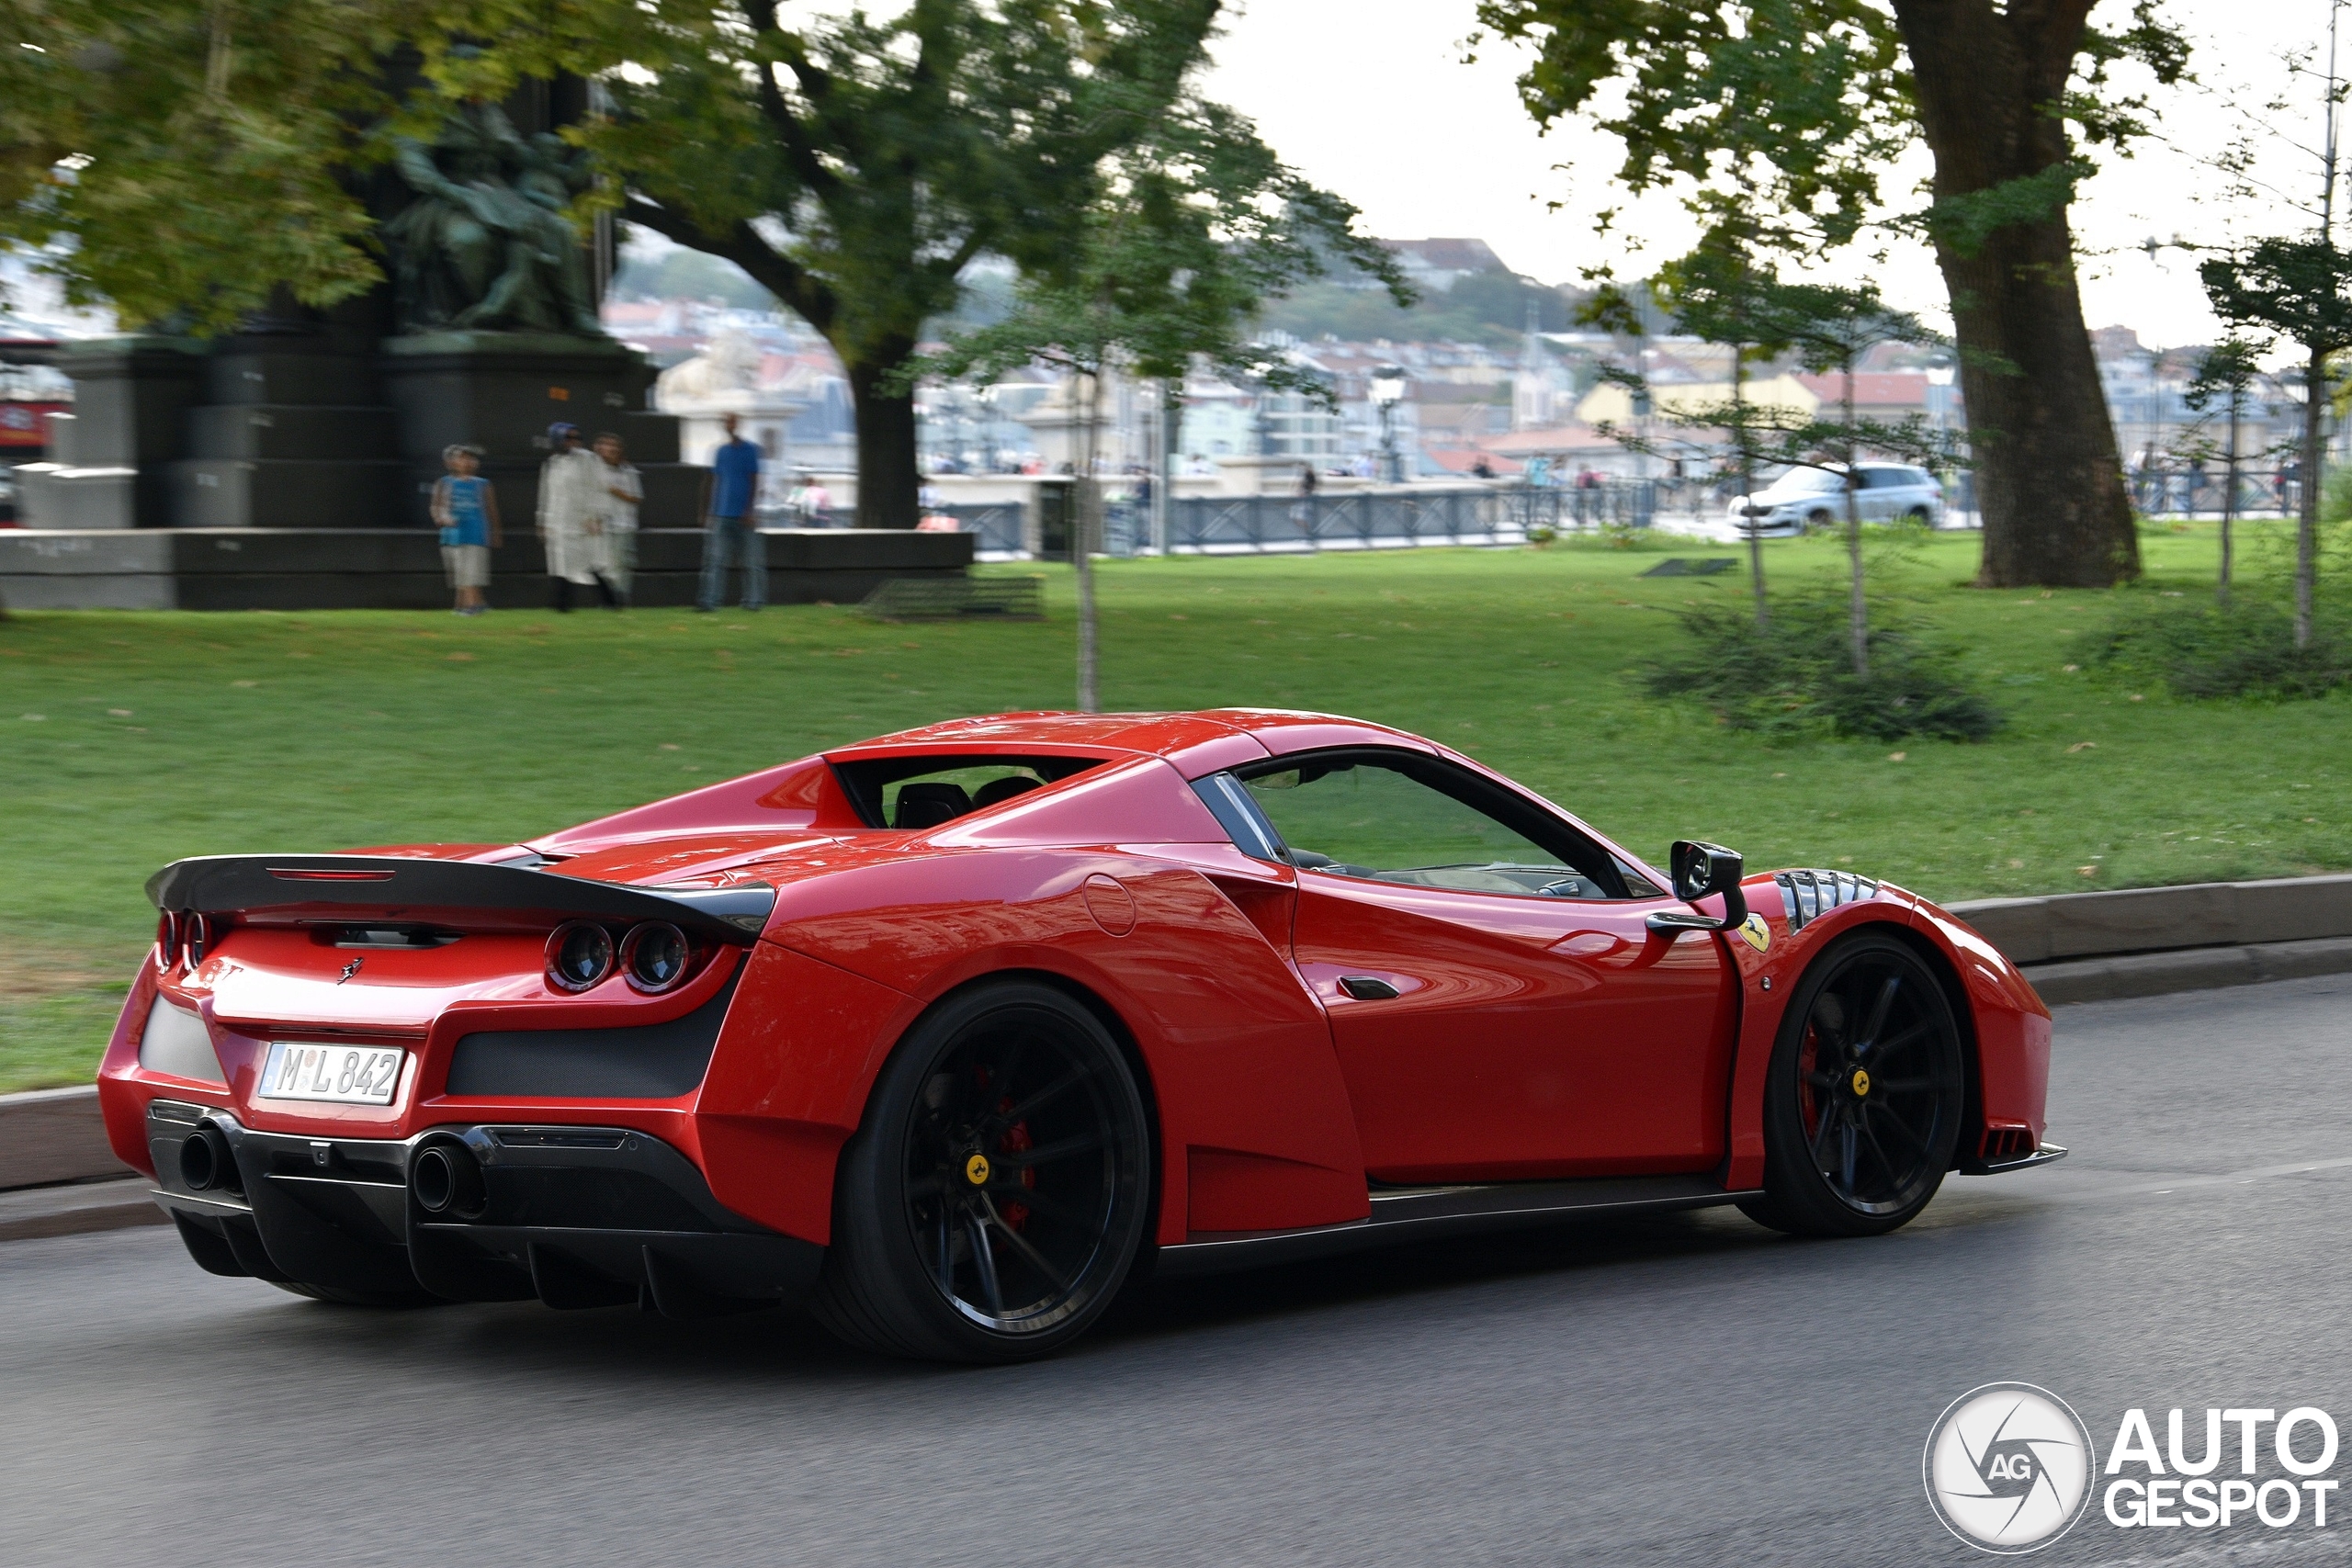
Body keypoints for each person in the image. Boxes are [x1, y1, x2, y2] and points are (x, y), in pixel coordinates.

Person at [537, 423, 618, 612]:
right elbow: (546, 494)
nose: (573, 442)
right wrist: (543, 521)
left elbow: (598, 488)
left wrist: (596, 516)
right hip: (558, 522)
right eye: (568, 438)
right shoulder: (552, 464)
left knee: (590, 563)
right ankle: (561, 604)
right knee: (561, 564)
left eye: (576, 438)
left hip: (582, 521)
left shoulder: (588, 460)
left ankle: (610, 600)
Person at [696, 412, 764, 612]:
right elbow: (711, 481)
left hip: (743, 515)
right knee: (715, 560)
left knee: (751, 562)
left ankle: (753, 601)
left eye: (732, 421)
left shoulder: (750, 450)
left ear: (738, 424)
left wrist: (749, 510)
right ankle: (709, 601)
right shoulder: (720, 451)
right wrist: (706, 511)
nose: (729, 425)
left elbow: (754, 480)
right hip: (721, 513)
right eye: (726, 422)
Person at [430, 445, 501, 615]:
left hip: (475, 534)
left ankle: (471, 606)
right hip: (452, 535)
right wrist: (441, 519)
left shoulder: (482, 484)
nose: (467, 462)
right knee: (458, 573)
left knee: (471, 572)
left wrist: (495, 532)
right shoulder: (444, 483)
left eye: (470, 458)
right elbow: (436, 506)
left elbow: (492, 510)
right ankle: (464, 604)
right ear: (451, 462)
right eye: (462, 458)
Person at [592, 432, 642, 604]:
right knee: (604, 565)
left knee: (621, 565)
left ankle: (621, 600)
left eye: (614, 446)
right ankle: (608, 601)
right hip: (603, 525)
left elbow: (637, 497)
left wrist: (616, 491)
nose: (611, 449)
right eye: (606, 445)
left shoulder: (628, 471)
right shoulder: (594, 471)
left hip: (624, 524)